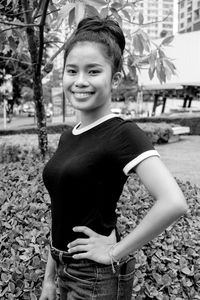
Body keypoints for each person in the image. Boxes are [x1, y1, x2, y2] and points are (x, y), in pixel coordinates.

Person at [40, 16, 188, 300]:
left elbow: (174, 202)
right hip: (62, 268)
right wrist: (49, 277)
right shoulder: (69, 135)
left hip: (94, 278)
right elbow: (61, 210)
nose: (80, 81)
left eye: (93, 71)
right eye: (72, 71)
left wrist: (114, 251)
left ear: (115, 78)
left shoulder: (123, 133)